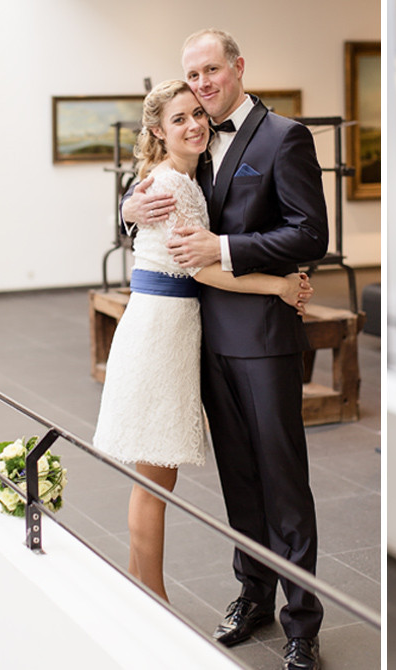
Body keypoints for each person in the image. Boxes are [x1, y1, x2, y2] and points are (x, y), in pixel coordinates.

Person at [121, 29, 328, 670]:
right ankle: (254, 594)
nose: (205, 84)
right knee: (239, 480)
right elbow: (147, 214)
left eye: (213, 70)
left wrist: (229, 251)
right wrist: (130, 204)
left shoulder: (283, 137)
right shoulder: (194, 143)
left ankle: (302, 622)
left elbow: (309, 233)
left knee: (282, 479)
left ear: (238, 67)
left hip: (262, 339)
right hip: (199, 334)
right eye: (194, 75)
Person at [93, 79, 313, 604]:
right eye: (179, 119)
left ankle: (136, 592)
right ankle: (156, 599)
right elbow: (204, 267)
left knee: (153, 474)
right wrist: (280, 285)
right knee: (155, 478)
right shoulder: (174, 185)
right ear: (156, 130)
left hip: (166, 324)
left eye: (198, 114)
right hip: (162, 331)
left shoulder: (177, 174)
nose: (194, 124)